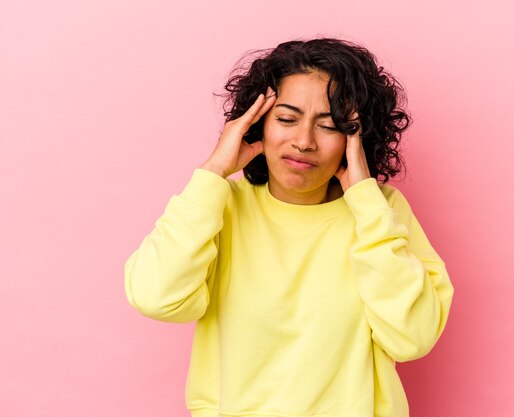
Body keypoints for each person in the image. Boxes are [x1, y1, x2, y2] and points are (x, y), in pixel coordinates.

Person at [124, 37, 454, 417]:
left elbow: (411, 337)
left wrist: (366, 202)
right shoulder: (220, 204)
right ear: (256, 123)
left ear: (357, 139)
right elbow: (156, 297)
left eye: (328, 126)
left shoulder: (381, 211)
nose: (303, 142)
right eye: (286, 118)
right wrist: (212, 172)